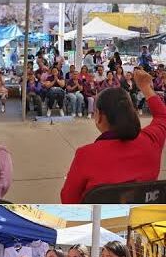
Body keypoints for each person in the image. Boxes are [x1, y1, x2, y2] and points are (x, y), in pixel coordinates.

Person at [61, 70, 166, 202]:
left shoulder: (86, 155)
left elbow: (68, 200)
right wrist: (145, 87)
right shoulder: (151, 140)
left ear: (100, 116)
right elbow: (163, 116)